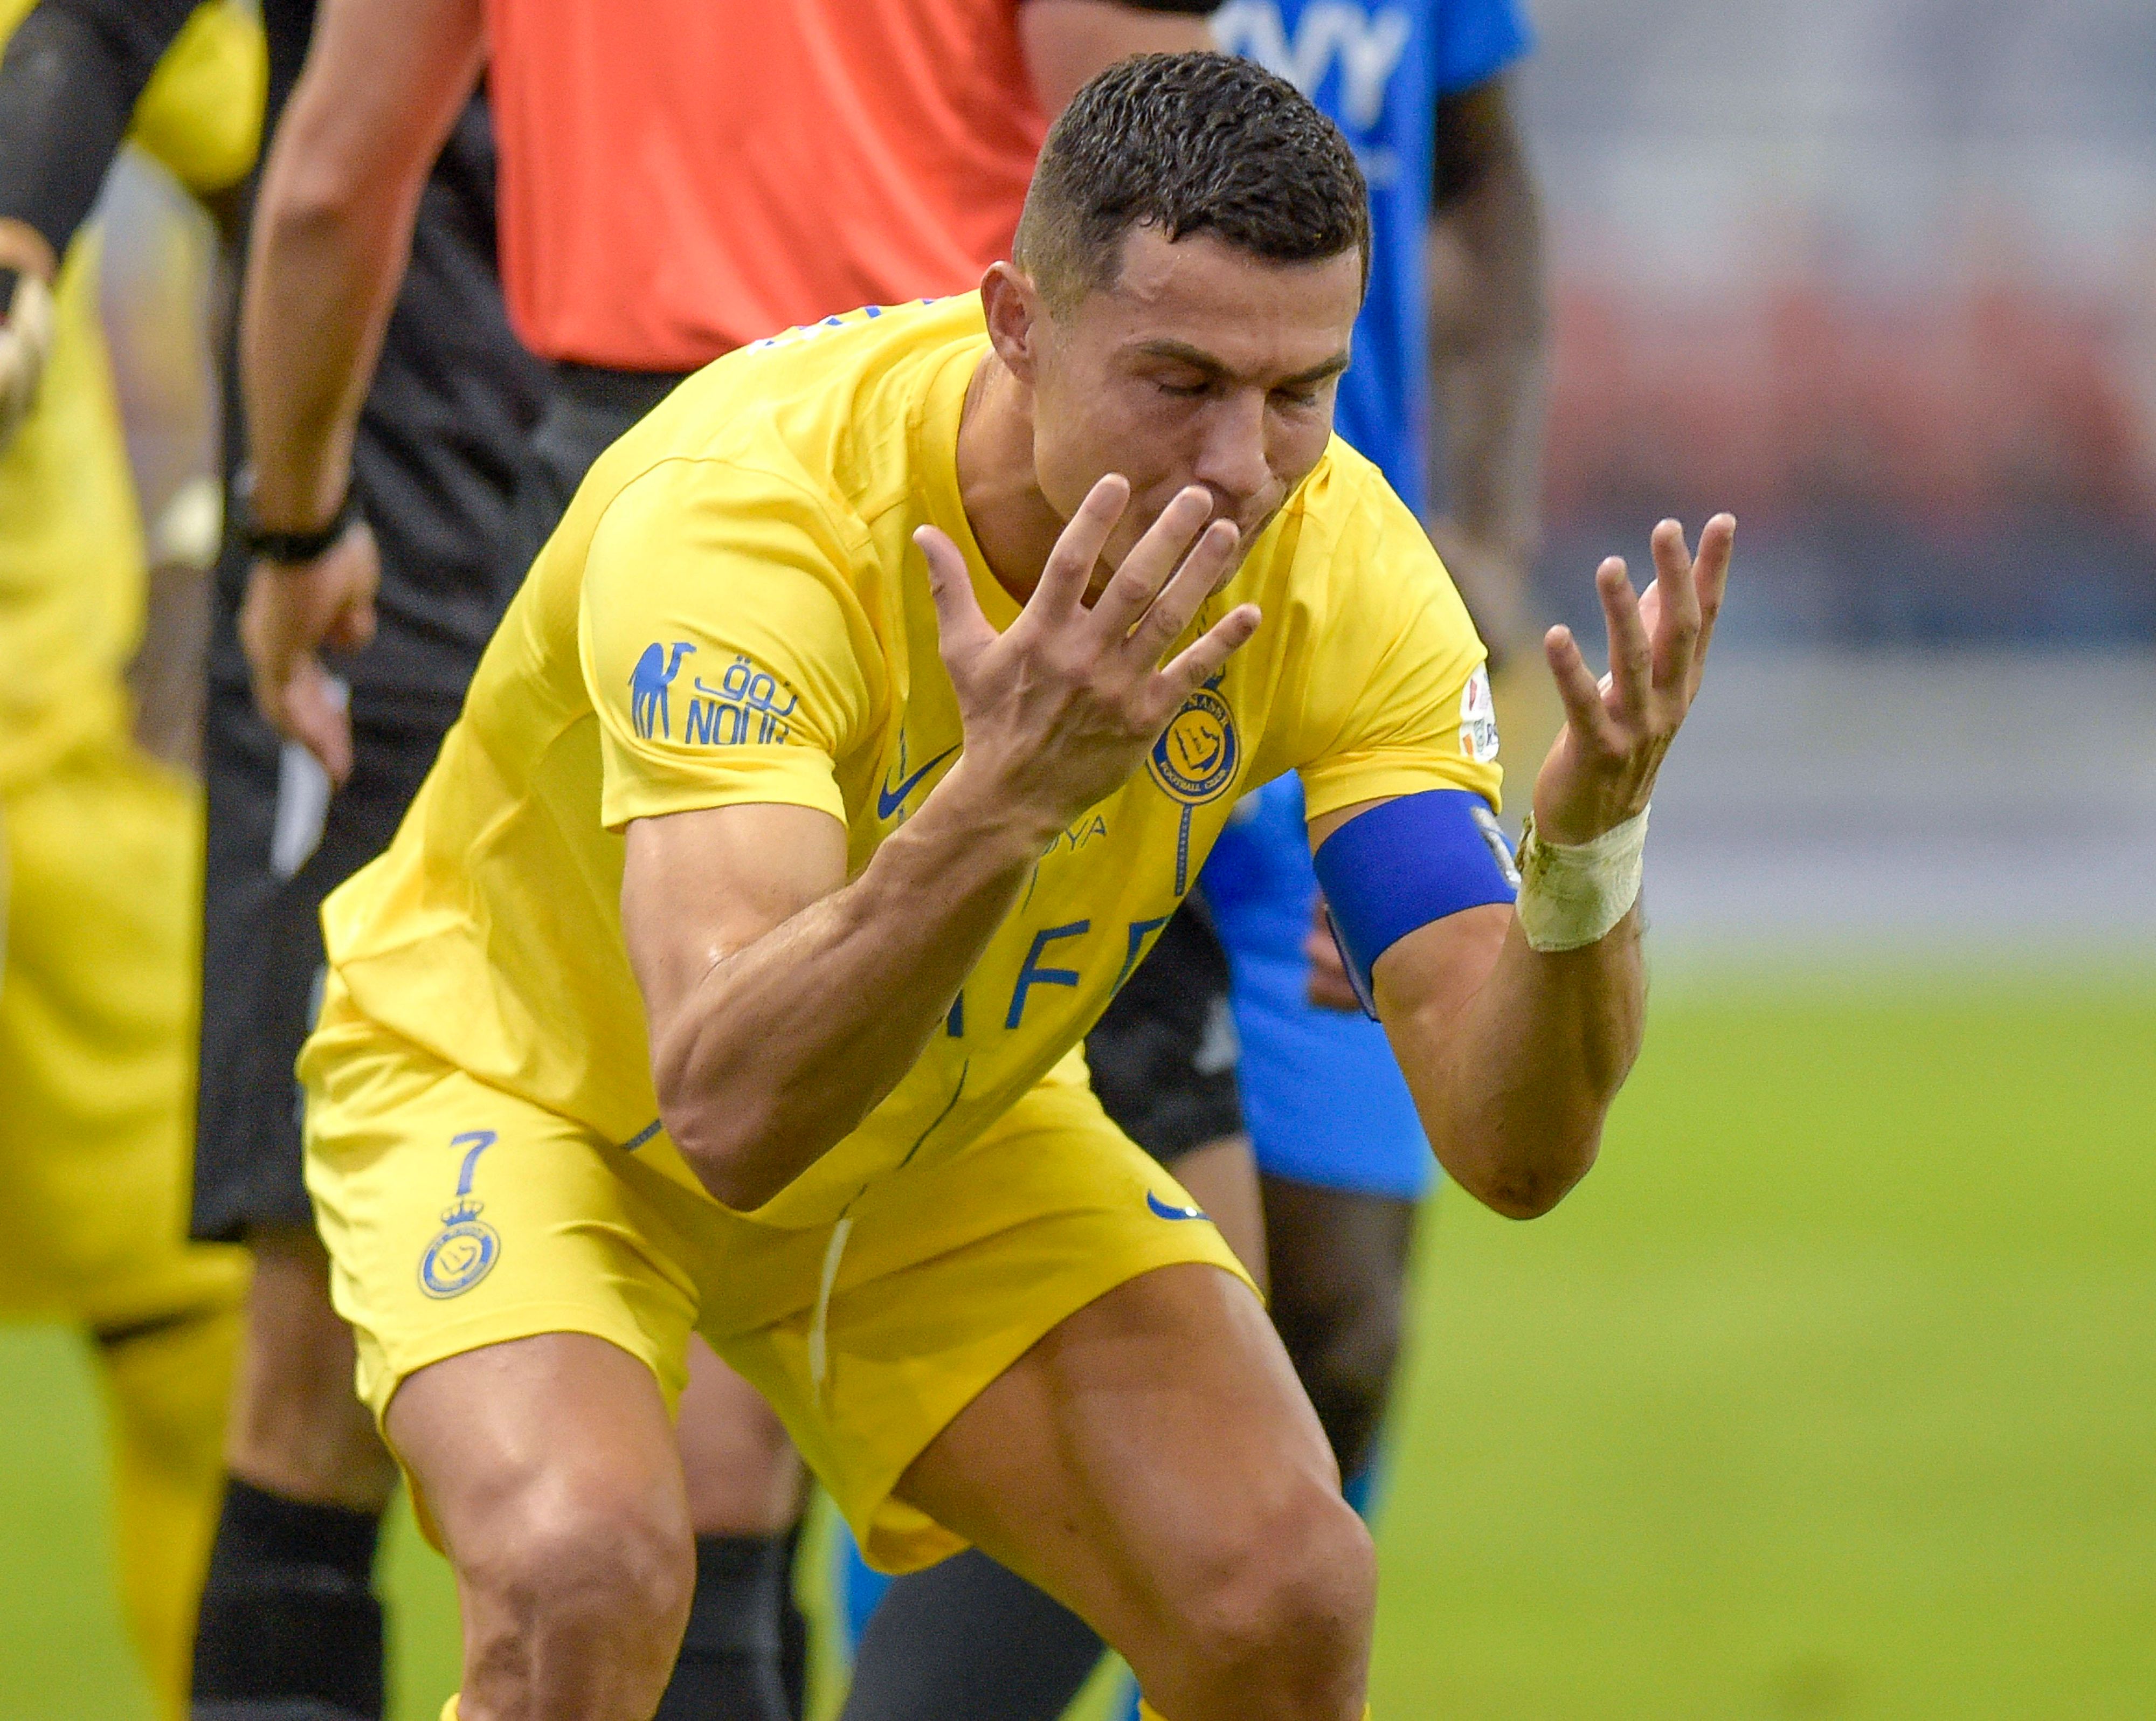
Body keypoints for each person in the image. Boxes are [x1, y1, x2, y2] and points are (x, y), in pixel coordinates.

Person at [285, 49, 1731, 1721]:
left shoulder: (1343, 563)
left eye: (1300, 391)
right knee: (583, 1576)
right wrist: (1006, 799)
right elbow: (728, 1110)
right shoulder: (750, 522)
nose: (1243, 467)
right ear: (1017, 325)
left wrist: (1587, 861)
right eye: (1180, 380)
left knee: (1283, 1587)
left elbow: (1511, 1145)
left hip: (925, 1121)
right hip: (524, 1085)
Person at [237, 0, 1219, 1709]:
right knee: (1197, 1437)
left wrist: (298, 519)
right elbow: (1177, 177)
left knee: (653, 1315)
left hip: (615, 480)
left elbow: (332, 178)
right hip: (968, 520)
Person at [835, 4, 1550, 1711]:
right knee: (1079, 1319)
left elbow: (1490, 192)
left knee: (1342, 1320)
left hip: (1320, 649)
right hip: (1058, 658)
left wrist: (1488, 531)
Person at [0, 2, 261, 1713]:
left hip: (63, 803)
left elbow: (276, 134)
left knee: (206, 1339)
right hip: (59, 796)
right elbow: (283, 144)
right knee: (209, 1349)